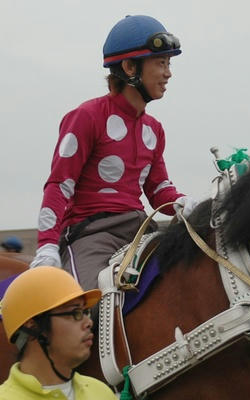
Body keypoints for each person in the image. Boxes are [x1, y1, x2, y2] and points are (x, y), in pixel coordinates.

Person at [29, 15, 197, 292]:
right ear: (130, 67)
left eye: (169, 63)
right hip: (91, 234)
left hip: (140, 229)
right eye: (161, 63)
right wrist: (46, 245)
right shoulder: (86, 117)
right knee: (91, 304)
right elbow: (60, 185)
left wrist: (185, 203)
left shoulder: (154, 129)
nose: (168, 73)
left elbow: (158, 191)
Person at [0, 266, 117, 399]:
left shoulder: (101, 392)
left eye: (86, 312)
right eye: (75, 313)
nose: (89, 322)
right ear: (33, 326)